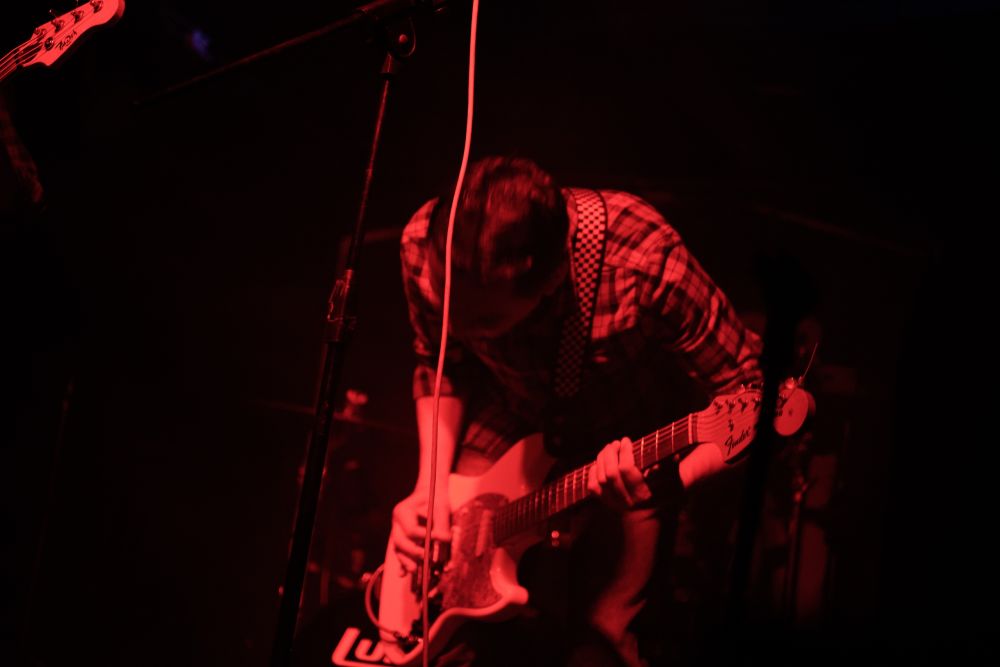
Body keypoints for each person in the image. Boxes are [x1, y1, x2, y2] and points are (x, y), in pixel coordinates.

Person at [389, 156, 763, 666]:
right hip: (510, 420)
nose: (459, 325)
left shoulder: (644, 258)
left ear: (552, 279)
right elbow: (441, 365)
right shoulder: (422, 242)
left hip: (633, 449)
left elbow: (753, 398)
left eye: (487, 320)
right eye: (448, 300)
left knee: (603, 638)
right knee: (455, 645)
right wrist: (428, 489)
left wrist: (675, 481)